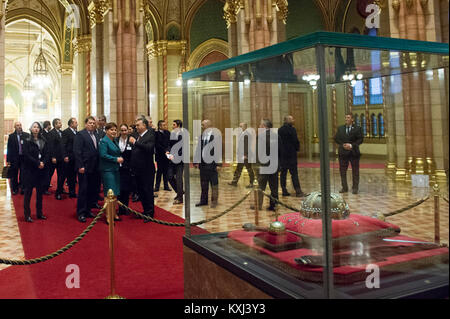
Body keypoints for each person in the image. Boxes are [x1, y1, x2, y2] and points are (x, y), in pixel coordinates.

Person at [73, 116, 101, 223]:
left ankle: (88, 210)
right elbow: (77, 151)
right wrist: (80, 166)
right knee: (83, 190)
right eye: (90, 123)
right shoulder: (80, 135)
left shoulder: (96, 135)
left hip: (94, 168)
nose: (92, 125)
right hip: (84, 167)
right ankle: (81, 212)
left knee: (92, 190)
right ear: (85, 124)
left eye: (94, 123)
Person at [22, 122, 50, 222]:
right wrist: (37, 162)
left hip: (41, 170)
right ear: (31, 128)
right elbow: (26, 155)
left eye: (38, 127)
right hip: (30, 170)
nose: (36, 129)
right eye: (34, 127)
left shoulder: (43, 140)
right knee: (28, 193)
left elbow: (47, 153)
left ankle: (39, 213)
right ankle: (27, 215)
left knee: (39, 193)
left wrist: (43, 162)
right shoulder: (27, 140)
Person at [129, 117, 156, 222]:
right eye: (136, 125)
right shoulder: (137, 135)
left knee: (147, 191)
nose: (136, 127)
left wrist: (135, 143)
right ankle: (145, 211)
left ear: (144, 125)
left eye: (138, 125)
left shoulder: (151, 135)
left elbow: (149, 148)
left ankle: (150, 213)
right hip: (137, 169)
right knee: (141, 191)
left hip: (147, 170)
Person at [334, 113, 364, 194]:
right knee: (342, 171)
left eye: (348, 118)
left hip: (353, 152)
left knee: (355, 171)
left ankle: (355, 188)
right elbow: (336, 138)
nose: (346, 119)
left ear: (352, 119)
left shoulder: (358, 128)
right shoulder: (341, 128)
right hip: (343, 153)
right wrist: (343, 145)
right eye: (346, 118)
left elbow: (360, 139)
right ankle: (344, 187)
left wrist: (351, 145)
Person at [99, 122, 122, 222]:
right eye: (111, 129)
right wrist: (116, 159)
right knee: (109, 194)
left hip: (115, 170)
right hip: (108, 170)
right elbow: (103, 155)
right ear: (106, 131)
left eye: (115, 130)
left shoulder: (115, 140)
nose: (113, 131)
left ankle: (114, 213)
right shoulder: (104, 141)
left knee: (115, 193)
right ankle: (108, 215)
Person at [254, 119, 279, 211]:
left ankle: (258, 205)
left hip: (264, 166)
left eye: (260, 125)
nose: (259, 127)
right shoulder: (276, 136)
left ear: (264, 126)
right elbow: (281, 151)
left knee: (261, 187)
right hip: (274, 165)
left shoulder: (260, 137)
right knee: (274, 187)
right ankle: (274, 205)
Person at [194, 119, 220, 208]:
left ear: (208, 125)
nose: (202, 126)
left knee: (214, 184)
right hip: (203, 164)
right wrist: (196, 161)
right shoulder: (202, 136)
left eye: (203, 125)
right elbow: (198, 149)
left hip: (212, 164)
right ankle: (203, 201)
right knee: (203, 184)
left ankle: (214, 201)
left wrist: (218, 164)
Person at [278, 115, 306, 197]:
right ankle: (298, 191)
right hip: (291, 155)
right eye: (291, 119)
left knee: (283, 174)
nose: (293, 120)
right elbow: (295, 141)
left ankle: (284, 190)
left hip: (283, 155)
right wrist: (297, 149)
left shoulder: (280, 130)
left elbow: (278, 142)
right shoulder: (292, 129)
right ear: (287, 120)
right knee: (294, 174)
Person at [228, 122, 255, 188]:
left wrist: (245, 155)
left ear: (245, 127)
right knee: (239, 168)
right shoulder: (241, 134)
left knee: (249, 169)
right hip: (241, 155)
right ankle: (234, 181)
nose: (239, 128)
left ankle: (252, 183)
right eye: (239, 126)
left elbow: (247, 145)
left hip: (245, 155)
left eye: (241, 126)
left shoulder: (247, 135)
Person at [6, 122, 30, 195]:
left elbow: (29, 147)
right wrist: (8, 160)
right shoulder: (11, 136)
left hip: (24, 158)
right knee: (14, 174)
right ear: (14, 127)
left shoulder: (26, 135)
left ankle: (22, 188)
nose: (19, 126)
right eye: (17, 125)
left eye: (20, 125)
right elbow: (9, 149)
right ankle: (15, 189)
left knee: (23, 174)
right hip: (14, 158)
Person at [116, 123, 133, 215]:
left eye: (125, 130)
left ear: (127, 131)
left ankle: (125, 207)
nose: (123, 132)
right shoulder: (116, 140)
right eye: (122, 130)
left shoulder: (131, 140)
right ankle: (120, 208)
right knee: (119, 189)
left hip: (127, 168)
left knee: (126, 189)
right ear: (120, 131)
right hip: (118, 168)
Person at [167, 120, 184, 204]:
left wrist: (175, 156)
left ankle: (180, 198)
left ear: (178, 125)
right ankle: (179, 192)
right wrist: (168, 151)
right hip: (171, 159)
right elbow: (169, 144)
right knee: (169, 177)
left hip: (180, 160)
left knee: (179, 178)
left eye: (174, 124)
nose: (172, 126)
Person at [48, 118, 65, 200]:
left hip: (61, 158)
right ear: (55, 125)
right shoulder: (51, 133)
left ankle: (59, 191)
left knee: (61, 175)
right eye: (58, 123)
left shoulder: (62, 133)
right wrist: (53, 156)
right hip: (55, 158)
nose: (60, 124)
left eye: (60, 122)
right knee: (49, 174)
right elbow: (51, 146)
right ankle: (45, 187)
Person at [61, 117, 78, 198]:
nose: (77, 124)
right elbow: (63, 145)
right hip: (69, 157)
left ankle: (73, 192)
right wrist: (65, 155)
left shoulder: (76, 132)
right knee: (69, 175)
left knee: (73, 176)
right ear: (71, 124)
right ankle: (70, 192)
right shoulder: (66, 132)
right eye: (75, 122)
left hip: (75, 157)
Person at [155, 120, 171, 192]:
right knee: (159, 171)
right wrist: (164, 151)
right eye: (163, 125)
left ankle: (166, 185)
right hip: (160, 155)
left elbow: (169, 143)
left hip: (167, 155)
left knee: (166, 171)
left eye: (165, 125)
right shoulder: (156, 134)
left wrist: (168, 150)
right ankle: (157, 186)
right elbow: (157, 144)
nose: (165, 126)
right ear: (160, 126)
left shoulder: (168, 133)